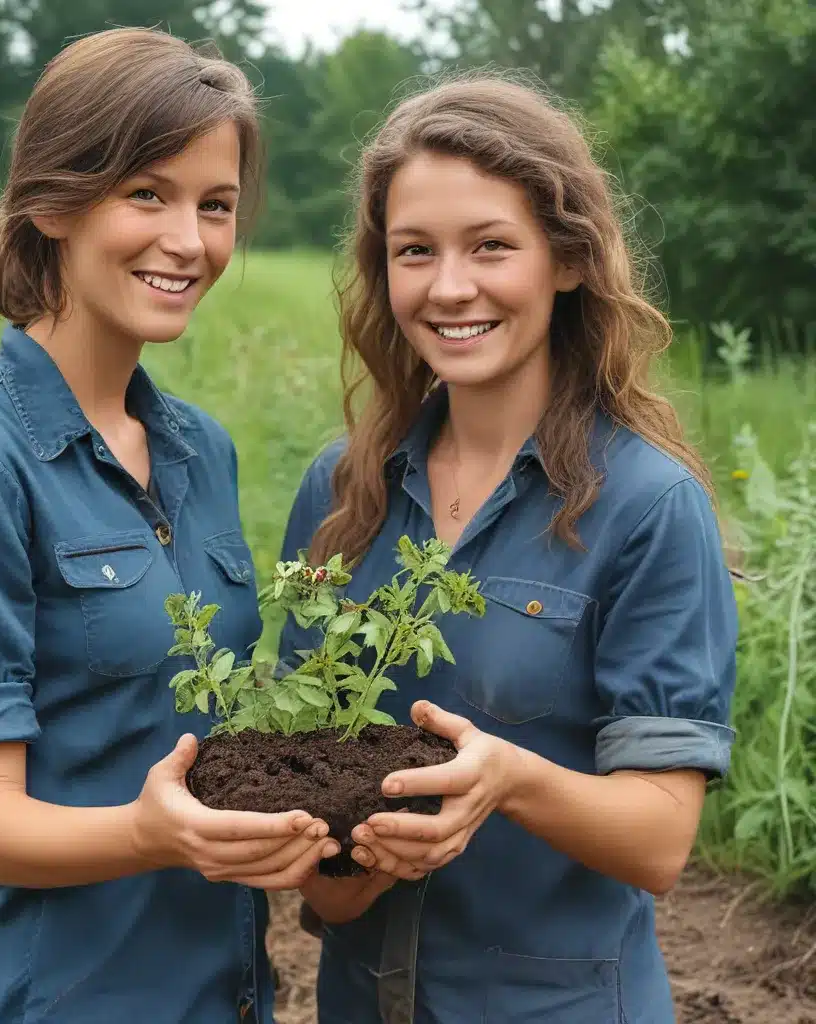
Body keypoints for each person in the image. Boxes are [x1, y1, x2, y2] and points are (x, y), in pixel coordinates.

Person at [0, 28, 337, 1024]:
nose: (189, 240)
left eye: (215, 206)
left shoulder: (198, 449)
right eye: (147, 194)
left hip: (224, 991)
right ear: (52, 202)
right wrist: (156, 832)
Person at [278, 73, 738, 1024]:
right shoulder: (340, 493)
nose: (450, 288)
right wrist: (347, 860)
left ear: (566, 261)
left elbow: (659, 840)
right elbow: (309, 837)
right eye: (415, 252)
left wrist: (507, 780)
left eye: (491, 246)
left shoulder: (648, 506)